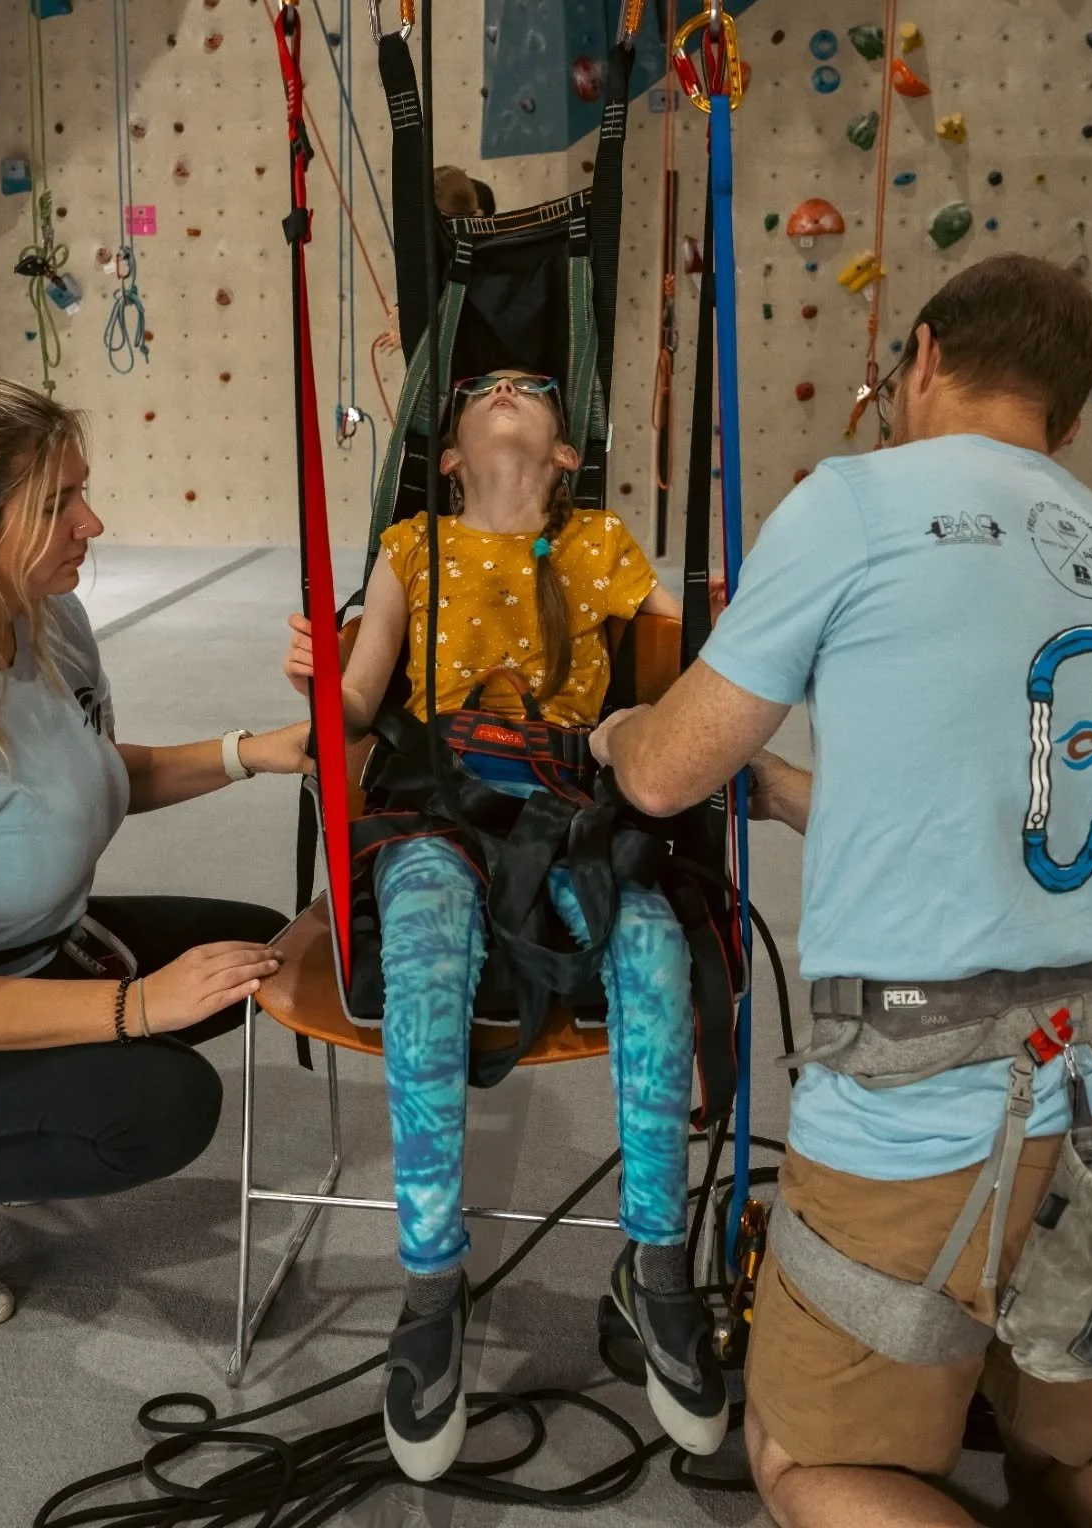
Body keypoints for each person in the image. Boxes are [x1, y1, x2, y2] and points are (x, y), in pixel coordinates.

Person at [590, 254, 1092, 1528]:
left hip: (930, 1097)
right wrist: (786, 791)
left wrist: (617, 736)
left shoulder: (855, 503)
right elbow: (1034, 826)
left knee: (823, 1463)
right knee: (1089, 1447)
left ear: (922, 354)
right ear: (1073, 414)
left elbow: (666, 772)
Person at [0, 376, 311, 1336]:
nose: (93, 519)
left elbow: (82, 774)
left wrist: (257, 751)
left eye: (83, 489)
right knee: (162, 1108)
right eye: (57, 503)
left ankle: (21, 1108)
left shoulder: (46, 619)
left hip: (33, 946)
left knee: (264, 952)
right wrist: (142, 1006)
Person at [284, 370, 726, 1483]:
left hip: (569, 805)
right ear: (446, 456)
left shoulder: (606, 545)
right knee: (428, 958)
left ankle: (659, 1266)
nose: (505, 392)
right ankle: (431, 1286)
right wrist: (322, 676)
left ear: (566, 457)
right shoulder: (408, 544)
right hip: (437, 804)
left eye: (530, 391)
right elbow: (359, 701)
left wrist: (703, 644)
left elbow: (666, 679)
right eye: (485, 389)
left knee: (655, 951)